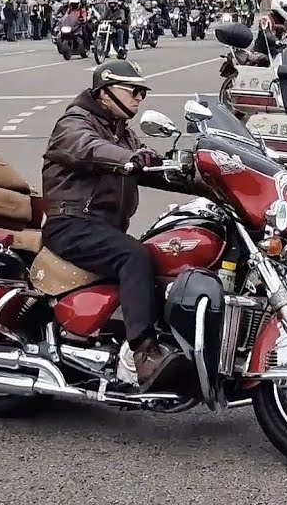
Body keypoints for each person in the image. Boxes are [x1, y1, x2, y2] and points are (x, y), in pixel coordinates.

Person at [40, 60, 178, 391]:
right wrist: (127, 158)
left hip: (101, 227)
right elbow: (87, 147)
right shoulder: (74, 123)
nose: (140, 98)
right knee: (134, 257)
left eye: (143, 92)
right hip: (70, 223)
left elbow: (146, 163)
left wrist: (202, 174)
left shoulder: (122, 133)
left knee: (167, 250)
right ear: (105, 92)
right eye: (134, 91)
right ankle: (142, 353)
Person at [246, 0, 287, 65]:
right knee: (262, 60)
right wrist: (276, 40)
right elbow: (266, 34)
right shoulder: (265, 19)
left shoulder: (286, 22)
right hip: (262, 52)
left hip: (277, 51)